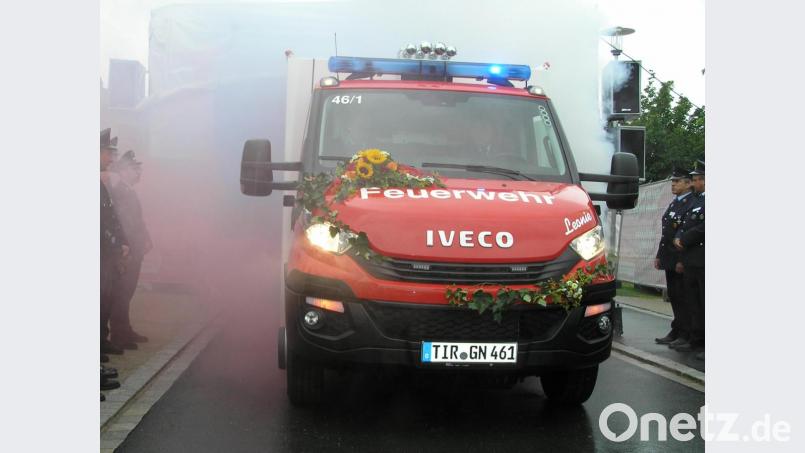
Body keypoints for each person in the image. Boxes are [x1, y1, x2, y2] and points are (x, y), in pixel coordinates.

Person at [109, 150, 152, 349]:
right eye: (135, 169)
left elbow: (137, 220)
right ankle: (119, 334)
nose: (138, 173)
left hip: (134, 247)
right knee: (122, 292)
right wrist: (126, 246)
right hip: (128, 249)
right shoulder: (120, 192)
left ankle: (125, 329)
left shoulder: (128, 191)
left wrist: (145, 238)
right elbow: (123, 223)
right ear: (124, 171)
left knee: (128, 291)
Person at [654, 167, 696, 347]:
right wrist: (659, 255)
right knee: (674, 295)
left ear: (688, 183)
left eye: (677, 181)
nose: (673, 184)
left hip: (680, 257)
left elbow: (684, 232)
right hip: (669, 256)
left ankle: (686, 332)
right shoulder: (675, 203)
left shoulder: (691, 202)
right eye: (672, 181)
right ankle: (677, 328)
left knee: (683, 296)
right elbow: (667, 233)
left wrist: (681, 260)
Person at [100, 129, 129, 356]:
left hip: (107, 250)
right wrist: (114, 242)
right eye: (107, 153)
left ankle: (101, 339)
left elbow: (110, 217)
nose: (111, 159)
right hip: (102, 250)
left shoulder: (100, 183)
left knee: (106, 295)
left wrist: (120, 241)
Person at [673, 160, 705, 358]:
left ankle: (703, 343)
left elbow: (703, 228)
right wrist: (679, 238)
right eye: (694, 179)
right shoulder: (697, 201)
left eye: (699, 179)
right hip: (692, 260)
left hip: (702, 259)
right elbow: (686, 223)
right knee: (694, 303)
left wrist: (683, 239)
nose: (695, 183)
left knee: (704, 303)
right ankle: (696, 340)